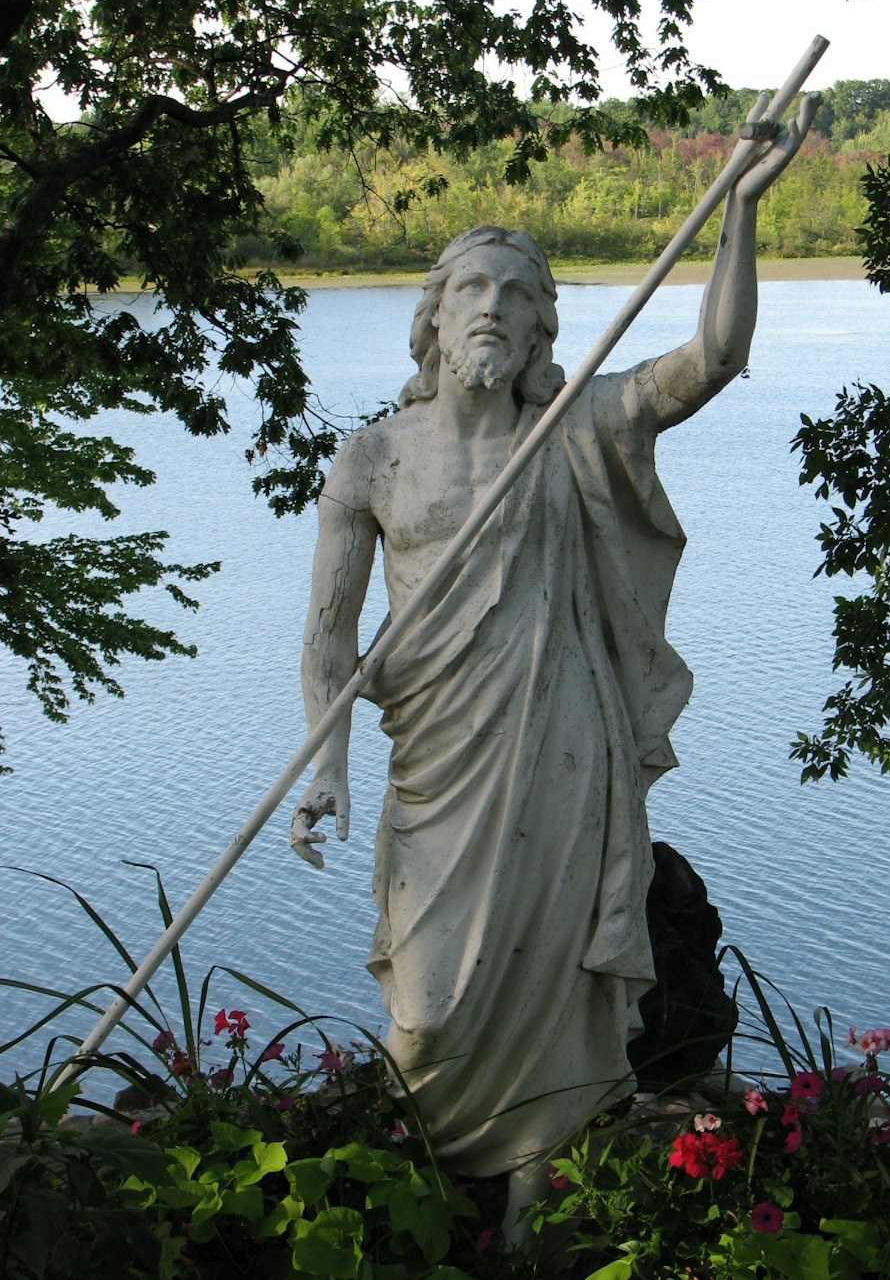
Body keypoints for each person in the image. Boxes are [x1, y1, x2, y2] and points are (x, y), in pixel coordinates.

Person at [290, 95, 817, 1238]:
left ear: (539, 333)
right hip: (434, 758)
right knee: (425, 1009)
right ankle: (421, 1206)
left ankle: (535, 1205)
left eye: (518, 297)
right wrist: (322, 759)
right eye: (472, 291)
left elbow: (712, 358)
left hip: (562, 738)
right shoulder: (372, 456)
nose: (493, 308)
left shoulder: (572, 429)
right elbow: (330, 631)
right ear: (432, 321)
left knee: (563, 985)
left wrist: (737, 207)